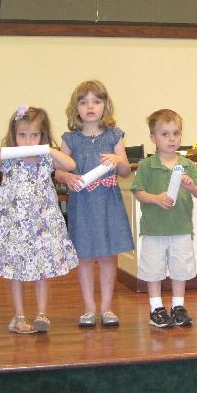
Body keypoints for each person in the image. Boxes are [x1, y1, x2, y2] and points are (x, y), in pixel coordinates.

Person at [0, 105, 79, 334]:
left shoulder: (45, 158)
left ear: (42, 136)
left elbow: (70, 165)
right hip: (14, 226)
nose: (28, 140)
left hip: (41, 225)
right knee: (15, 271)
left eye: (34, 135)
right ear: (14, 135)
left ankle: (42, 313)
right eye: (22, 135)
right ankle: (18, 316)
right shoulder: (9, 159)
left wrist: (47, 149)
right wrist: (9, 151)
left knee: (42, 270)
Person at [57, 80, 134, 328]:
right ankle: (89, 308)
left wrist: (118, 161)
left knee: (108, 256)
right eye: (84, 102)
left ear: (105, 106)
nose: (90, 107)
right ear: (75, 108)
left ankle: (106, 308)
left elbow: (125, 170)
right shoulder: (70, 139)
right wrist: (67, 177)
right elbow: (58, 171)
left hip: (108, 203)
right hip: (83, 205)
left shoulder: (114, 136)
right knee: (86, 257)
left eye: (96, 101)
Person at [131, 109, 197, 328]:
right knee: (153, 269)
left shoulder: (188, 165)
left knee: (180, 269)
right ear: (153, 137)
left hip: (181, 228)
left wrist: (191, 187)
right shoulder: (147, 165)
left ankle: (178, 306)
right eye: (165, 134)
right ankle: (156, 308)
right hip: (154, 229)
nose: (171, 138)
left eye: (176, 133)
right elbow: (138, 192)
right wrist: (156, 198)